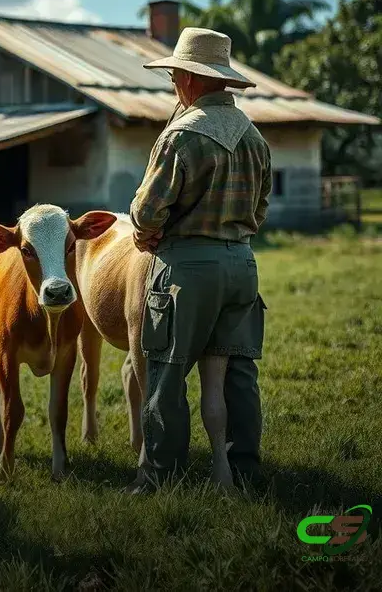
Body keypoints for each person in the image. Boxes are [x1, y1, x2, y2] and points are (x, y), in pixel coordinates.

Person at [128, 27, 271, 493]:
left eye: (175, 75)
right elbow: (262, 207)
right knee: (239, 370)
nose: (174, 84)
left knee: (167, 369)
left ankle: (161, 476)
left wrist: (148, 236)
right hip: (242, 264)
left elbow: (147, 212)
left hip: (186, 270)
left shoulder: (181, 136)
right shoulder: (254, 136)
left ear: (189, 79)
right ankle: (243, 470)